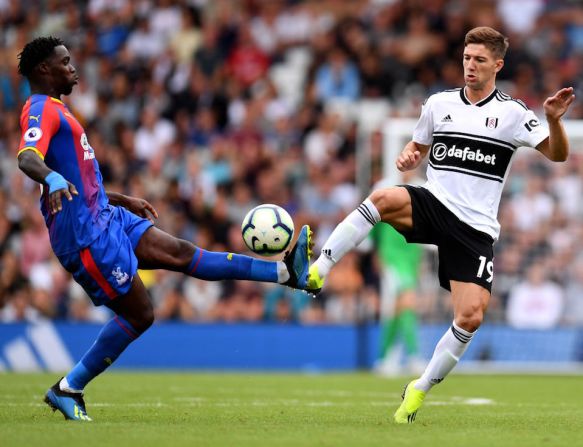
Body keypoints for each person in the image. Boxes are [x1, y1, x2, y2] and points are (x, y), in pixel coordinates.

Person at [16, 36, 312, 422]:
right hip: (87, 239)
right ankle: (67, 388)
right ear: (44, 70)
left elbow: (80, 178)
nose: (73, 68)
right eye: (65, 62)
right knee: (141, 315)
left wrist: (121, 200)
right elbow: (27, 157)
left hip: (108, 217)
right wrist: (51, 179)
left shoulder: (59, 109)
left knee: (185, 254)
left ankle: (286, 272)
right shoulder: (40, 109)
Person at [304, 26, 574, 423]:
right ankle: (318, 268)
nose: (470, 66)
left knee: (471, 317)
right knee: (381, 198)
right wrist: (411, 154)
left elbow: (558, 155)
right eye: (467, 58)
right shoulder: (438, 104)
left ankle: (419, 387)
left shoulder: (513, 114)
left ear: (497, 65)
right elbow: (419, 144)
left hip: (475, 228)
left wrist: (552, 120)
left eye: (480, 60)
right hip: (436, 202)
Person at [371, 179, 424, 377]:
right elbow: (373, 224)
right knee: (407, 303)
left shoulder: (421, 192)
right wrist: (377, 256)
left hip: (409, 260)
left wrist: (417, 264)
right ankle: (413, 356)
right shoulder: (385, 189)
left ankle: (386, 357)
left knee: (396, 311)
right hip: (391, 260)